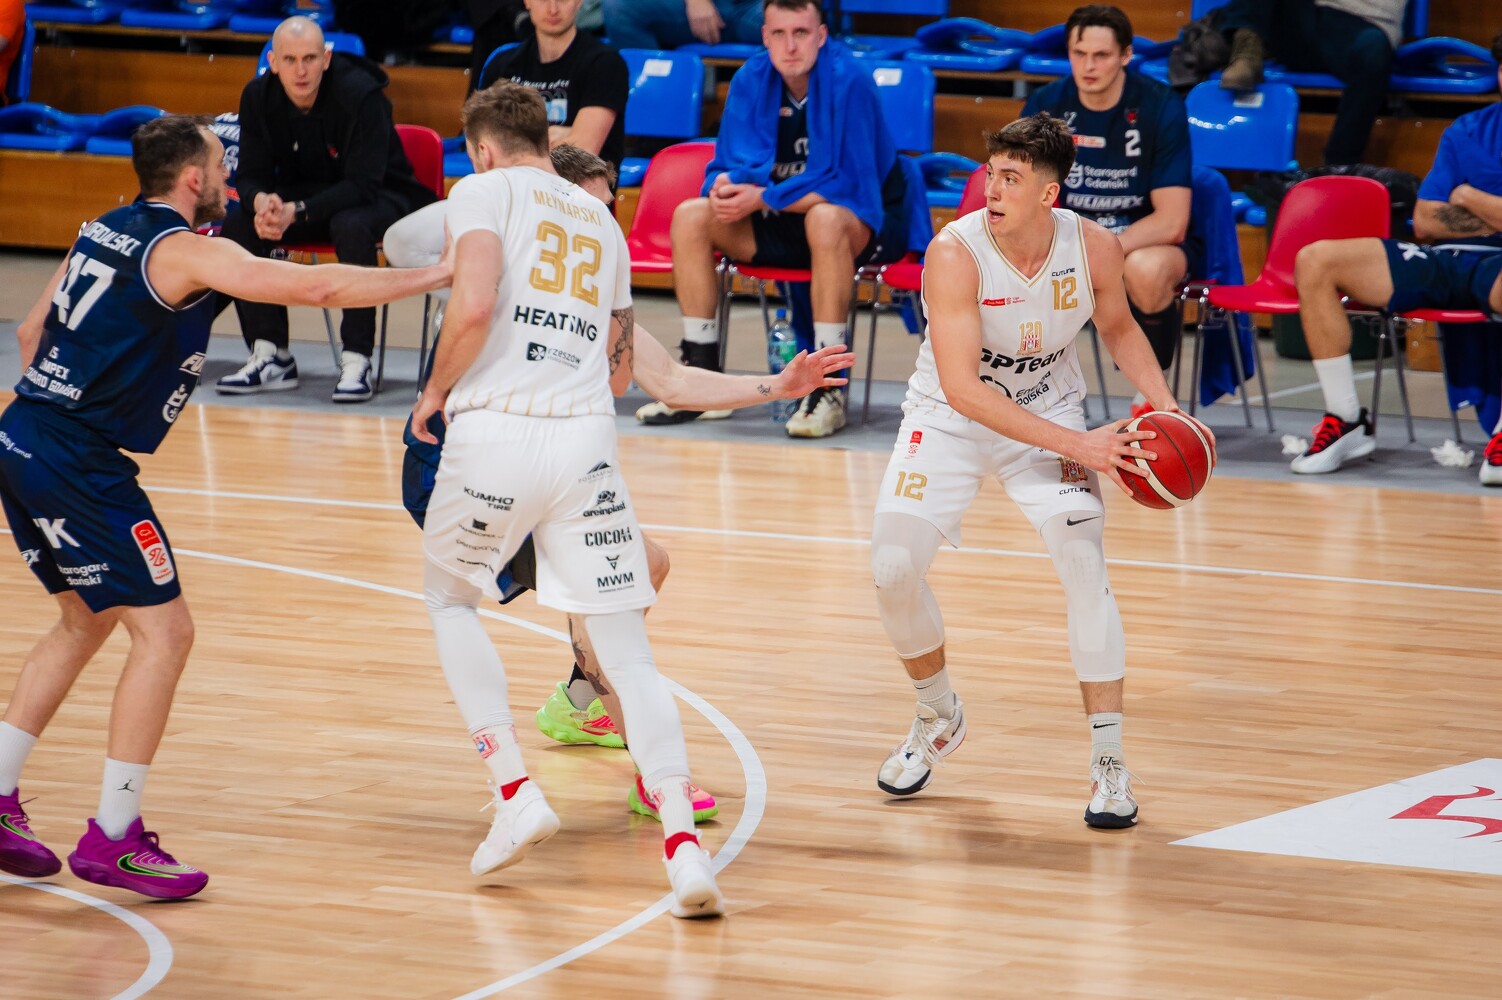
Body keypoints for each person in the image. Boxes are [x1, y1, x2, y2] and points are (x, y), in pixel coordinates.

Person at [0, 115, 450, 896]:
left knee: (85, 619)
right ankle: (114, 836)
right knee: (166, 632)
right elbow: (318, 287)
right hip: (78, 460)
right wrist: (437, 275)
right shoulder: (182, 251)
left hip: (22, 432)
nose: (228, 177)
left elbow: (32, 330)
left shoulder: (102, 227)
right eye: (218, 166)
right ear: (191, 179)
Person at [392, 144, 853, 820]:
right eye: (596, 205)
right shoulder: (502, 256)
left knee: (645, 566)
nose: (605, 219)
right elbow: (403, 243)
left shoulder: (586, 289)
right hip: (463, 465)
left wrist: (777, 385)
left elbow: (671, 381)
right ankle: (652, 774)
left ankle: (577, 704)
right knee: (601, 601)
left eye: (611, 207)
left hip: (543, 462)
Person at [411, 82, 723, 917]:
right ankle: (684, 850)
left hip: (497, 432)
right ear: (546, 141)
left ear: (482, 148)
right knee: (629, 654)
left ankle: (515, 792)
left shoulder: (480, 192)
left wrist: (434, 390)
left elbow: (475, 302)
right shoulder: (602, 221)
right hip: (587, 444)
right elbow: (621, 371)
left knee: (450, 602)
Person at [869, 114, 1214, 828]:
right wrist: (1084, 446)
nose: (991, 189)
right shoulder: (954, 253)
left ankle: (1109, 763)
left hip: (1047, 408)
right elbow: (965, 391)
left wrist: (1168, 407)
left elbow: (1118, 327)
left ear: (1049, 194)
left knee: (1083, 561)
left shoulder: (1094, 248)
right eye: (991, 174)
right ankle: (937, 713)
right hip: (950, 418)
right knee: (892, 570)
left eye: (1011, 178)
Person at [642, 0, 930, 438]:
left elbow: (847, 186)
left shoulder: (850, 80)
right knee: (691, 216)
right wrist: (724, 187)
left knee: (825, 219)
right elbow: (725, 164)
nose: (790, 46)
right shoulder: (751, 78)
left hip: (862, 221)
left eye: (801, 33)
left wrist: (762, 197)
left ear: (821, 35)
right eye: (779, 33)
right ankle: (701, 381)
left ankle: (829, 389)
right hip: (782, 216)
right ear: (765, 36)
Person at [1289, 31, 1502, 487]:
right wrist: (1493, 215)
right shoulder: (1468, 129)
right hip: (1444, 257)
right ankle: (1346, 419)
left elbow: (1449, 206)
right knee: (1316, 259)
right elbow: (1425, 220)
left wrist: (1468, 196)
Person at [215, 16, 438, 403]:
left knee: (350, 225)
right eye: (290, 60)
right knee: (240, 225)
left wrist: (297, 210)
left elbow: (363, 184)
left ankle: (357, 359)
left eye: (310, 58)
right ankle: (271, 354)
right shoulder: (257, 96)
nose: (300, 71)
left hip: (384, 195)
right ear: (273, 61)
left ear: (327, 59)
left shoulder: (361, 94)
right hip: (307, 198)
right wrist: (262, 202)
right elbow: (250, 174)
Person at [1022, 4, 1192, 410]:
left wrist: (1103, 248)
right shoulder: (1045, 104)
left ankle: (1151, 399)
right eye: (1079, 54)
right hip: (1065, 237)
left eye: (1101, 55)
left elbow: (1172, 221)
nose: (1088, 66)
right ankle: (1017, 395)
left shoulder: (1160, 105)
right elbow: (1023, 194)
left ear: (1126, 55)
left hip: (1139, 240)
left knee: (1147, 270)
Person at [1217, 0, 1401, 167]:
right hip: (1305, 17)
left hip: (1365, 24)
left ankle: (1338, 166)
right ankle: (1247, 47)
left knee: (1373, 50)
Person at [476, 0, 628, 174]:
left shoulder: (606, 64)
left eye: (563, 0)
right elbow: (482, 149)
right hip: (513, 187)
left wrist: (514, 144)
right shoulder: (501, 65)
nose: (553, 9)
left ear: (579, 2)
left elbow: (583, 154)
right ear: (527, 2)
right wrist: (562, 137)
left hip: (579, 189)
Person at [601, 0, 764, 51]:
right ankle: (653, 99)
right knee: (620, 8)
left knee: (780, 21)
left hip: (757, 6)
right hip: (699, 7)